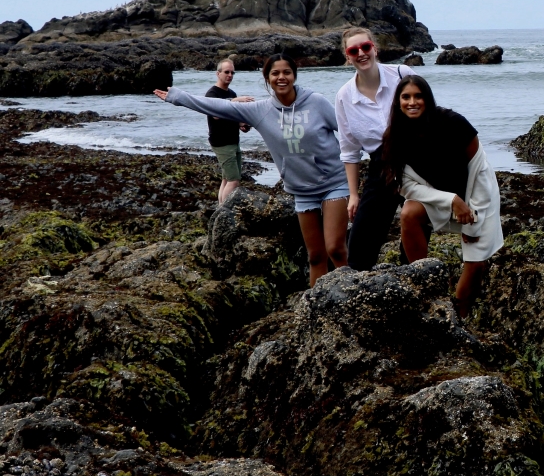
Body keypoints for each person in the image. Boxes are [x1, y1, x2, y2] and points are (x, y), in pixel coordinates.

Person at [155, 54, 350, 287]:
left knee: (336, 249)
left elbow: (349, 131)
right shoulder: (261, 111)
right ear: (267, 78)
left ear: (294, 75)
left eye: (286, 72)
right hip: (302, 189)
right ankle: (317, 308)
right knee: (315, 255)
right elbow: (219, 106)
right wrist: (179, 97)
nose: (281, 77)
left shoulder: (317, 102)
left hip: (333, 182)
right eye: (275, 73)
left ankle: (348, 291)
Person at [387, 75, 503, 316]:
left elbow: (478, 170)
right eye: (406, 97)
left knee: (476, 263)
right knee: (408, 213)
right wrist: (451, 200)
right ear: (398, 102)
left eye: (418, 96)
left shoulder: (453, 123)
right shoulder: (394, 136)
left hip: (477, 194)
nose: (412, 102)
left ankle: (458, 316)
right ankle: (427, 287)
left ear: (428, 99)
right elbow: (406, 187)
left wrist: (473, 217)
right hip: (442, 197)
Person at [335, 27, 416, 271]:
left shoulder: (401, 75)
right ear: (347, 57)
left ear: (375, 49)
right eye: (353, 50)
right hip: (380, 165)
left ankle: (414, 280)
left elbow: (428, 114)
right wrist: (354, 195)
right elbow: (349, 150)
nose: (361, 53)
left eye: (365, 47)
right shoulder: (344, 97)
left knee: (414, 224)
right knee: (360, 248)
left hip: (415, 157)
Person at [205, 58, 253, 205]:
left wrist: (242, 124)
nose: (230, 75)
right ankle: (224, 212)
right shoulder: (211, 94)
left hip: (234, 141)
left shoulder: (232, 93)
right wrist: (235, 101)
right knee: (234, 180)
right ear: (218, 74)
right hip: (221, 143)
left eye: (232, 72)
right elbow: (216, 115)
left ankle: (221, 208)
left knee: (226, 179)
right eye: (226, 72)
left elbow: (232, 116)